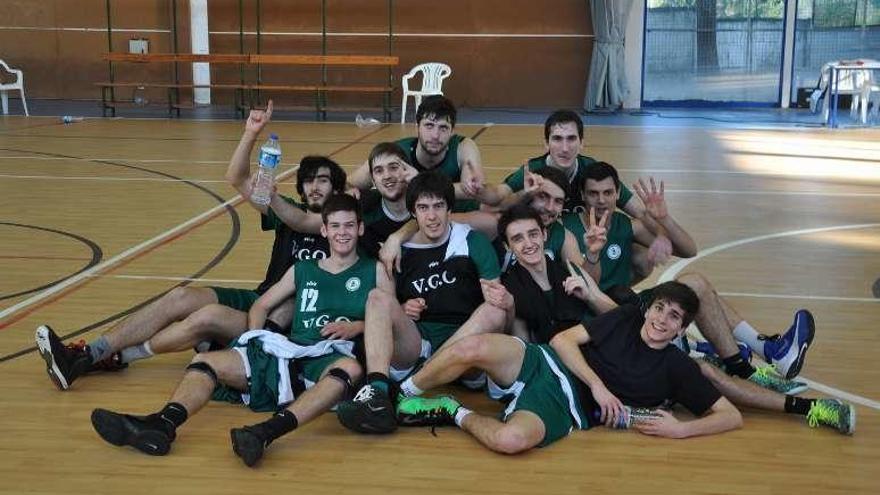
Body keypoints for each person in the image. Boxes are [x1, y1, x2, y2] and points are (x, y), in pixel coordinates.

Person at [35, 100, 346, 390]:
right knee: (181, 297)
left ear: (337, 187)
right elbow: (236, 178)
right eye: (308, 180)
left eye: (322, 179)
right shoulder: (285, 209)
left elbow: (302, 221)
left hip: (283, 321)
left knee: (206, 317)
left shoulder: (342, 225)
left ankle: (104, 358)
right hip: (258, 298)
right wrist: (250, 134)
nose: (314, 186)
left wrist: (271, 194)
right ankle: (91, 352)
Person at [89, 194, 391, 466]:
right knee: (205, 362)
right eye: (335, 226)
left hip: (328, 356)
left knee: (349, 369)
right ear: (324, 230)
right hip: (287, 350)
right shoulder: (303, 270)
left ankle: (264, 433)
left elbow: (389, 316)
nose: (342, 233)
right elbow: (261, 305)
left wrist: (358, 325)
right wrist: (255, 336)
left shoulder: (374, 270)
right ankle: (161, 424)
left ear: (360, 229)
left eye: (349, 226)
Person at [497, 204, 820, 398]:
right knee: (698, 354)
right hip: (609, 354)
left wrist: (590, 294)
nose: (527, 243)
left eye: (532, 234)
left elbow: (612, 313)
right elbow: (525, 346)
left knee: (694, 283)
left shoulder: (562, 269)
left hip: (622, 328)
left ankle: (752, 358)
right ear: (509, 247)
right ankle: (752, 364)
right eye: (517, 239)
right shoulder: (513, 289)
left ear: (543, 234)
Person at [393, 282, 743, 454]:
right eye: (660, 308)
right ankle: (398, 394)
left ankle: (451, 410)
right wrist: (598, 385)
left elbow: (730, 416)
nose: (661, 319)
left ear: (682, 330)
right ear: (649, 308)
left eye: (673, 317)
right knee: (472, 346)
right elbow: (563, 341)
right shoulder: (625, 316)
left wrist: (680, 431)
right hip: (547, 361)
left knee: (510, 441)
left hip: (568, 406)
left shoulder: (677, 366)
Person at [334, 171, 509, 434]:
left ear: (450, 208)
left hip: (465, 350)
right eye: (423, 208)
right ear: (413, 212)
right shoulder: (399, 251)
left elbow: (497, 307)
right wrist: (403, 308)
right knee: (377, 298)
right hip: (419, 344)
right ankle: (377, 392)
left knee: (495, 310)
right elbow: (390, 309)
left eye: (438, 206)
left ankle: (404, 392)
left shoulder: (472, 241)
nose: (432, 216)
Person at [562, 161, 697, 288]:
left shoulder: (627, 226)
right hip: (580, 302)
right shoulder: (565, 227)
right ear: (583, 195)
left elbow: (689, 251)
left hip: (617, 302)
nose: (601, 200)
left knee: (695, 285)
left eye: (608, 193)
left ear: (618, 193)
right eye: (593, 193)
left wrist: (664, 219)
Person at [347, 96, 486, 212]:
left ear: (452, 131)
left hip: (455, 221)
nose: (435, 135)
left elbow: (471, 191)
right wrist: (349, 191)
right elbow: (348, 183)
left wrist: (419, 183)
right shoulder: (397, 152)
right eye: (429, 126)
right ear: (417, 127)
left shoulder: (463, 147)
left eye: (443, 128)